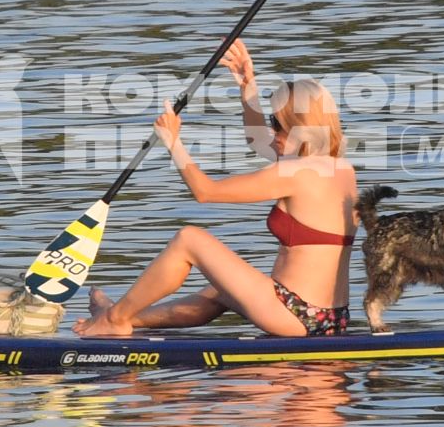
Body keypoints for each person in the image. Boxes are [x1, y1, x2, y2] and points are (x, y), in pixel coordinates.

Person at [73, 39, 358, 338]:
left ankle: (114, 318)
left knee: (189, 239)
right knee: (218, 289)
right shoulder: (341, 169)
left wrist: (174, 143)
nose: (271, 130)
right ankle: (125, 319)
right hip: (331, 318)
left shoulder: (293, 172)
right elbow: (259, 141)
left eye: (276, 123)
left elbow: (205, 192)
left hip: (295, 313)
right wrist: (248, 86)